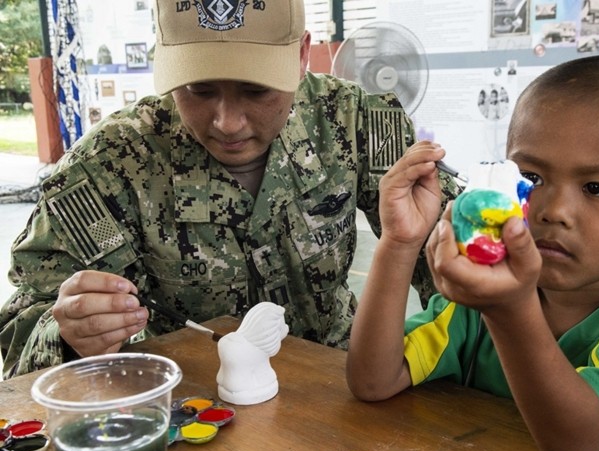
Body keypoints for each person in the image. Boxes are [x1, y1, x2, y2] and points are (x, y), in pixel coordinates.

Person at [0, 0, 460, 379]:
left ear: (302, 55)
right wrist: (66, 334)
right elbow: (18, 332)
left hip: (342, 385)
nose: (227, 122)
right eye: (199, 89)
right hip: (190, 409)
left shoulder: (355, 121)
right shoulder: (108, 168)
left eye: (256, 90)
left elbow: (448, 239)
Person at [346, 55, 599, 451]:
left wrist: (509, 310)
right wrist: (399, 243)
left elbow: (576, 444)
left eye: (597, 187)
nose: (553, 210)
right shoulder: (473, 306)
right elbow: (372, 381)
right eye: (531, 178)